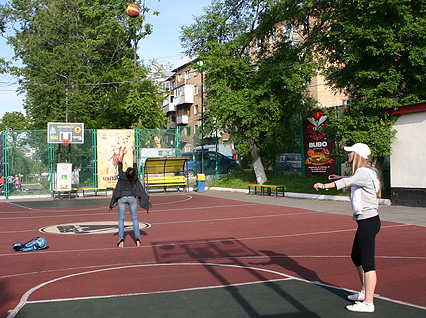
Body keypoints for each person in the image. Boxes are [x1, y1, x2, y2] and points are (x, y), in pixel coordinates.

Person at [314, 143, 381, 313]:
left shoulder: (363, 173)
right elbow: (351, 181)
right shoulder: (367, 171)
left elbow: (348, 182)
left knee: (368, 263)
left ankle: (368, 303)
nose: (348, 154)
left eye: (350, 152)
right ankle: (364, 292)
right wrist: (337, 177)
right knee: (356, 257)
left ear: (356, 154)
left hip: (368, 222)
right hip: (368, 222)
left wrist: (324, 186)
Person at [109, 145, 151, 248]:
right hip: (132, 198)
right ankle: (137, 239)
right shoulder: (135, 176)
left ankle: (121, 239)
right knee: (135, 219)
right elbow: (135, 164)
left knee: (121, 219)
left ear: (126, 172)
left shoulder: (122, 176)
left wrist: (123, 153)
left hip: (122, 198)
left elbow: (119, 163)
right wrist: (134, 153)